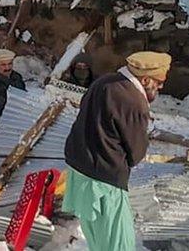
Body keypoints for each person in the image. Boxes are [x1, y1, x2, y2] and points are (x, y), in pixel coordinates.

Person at [62, 51, 170, 251]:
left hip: (79, 171)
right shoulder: (134, 101)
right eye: (159, 81)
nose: (161, 86)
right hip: (105, 181)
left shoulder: (103, 82)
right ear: (145, 79)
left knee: (97, 241)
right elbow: (136, 153)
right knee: (119, 244)